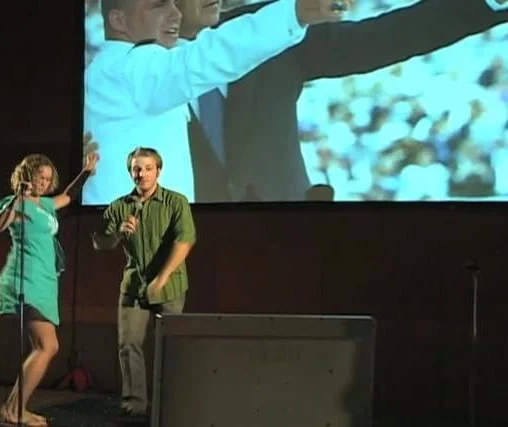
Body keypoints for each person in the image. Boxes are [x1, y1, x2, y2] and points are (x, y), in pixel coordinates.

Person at [178, 0, 508, 202]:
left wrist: (485, 3)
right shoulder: (145, 69)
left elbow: (381, 39)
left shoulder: (268, 28)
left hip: (291, 243)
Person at [82, 0, 353, 205]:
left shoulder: (110, 71)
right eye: (158, 5)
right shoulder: (129, 69)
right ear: (119, 20)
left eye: (174, 3)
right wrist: (295, 13)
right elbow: (212, 53)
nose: (175, 13)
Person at [0, 133, 99, 426]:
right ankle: (15, 410)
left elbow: (68, 196)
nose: (44, 183)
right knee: (47, 346)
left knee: (43, 346)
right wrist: (17, 198)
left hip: (45, 280)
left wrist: (86, 172)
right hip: (26, 280)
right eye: (39, 177)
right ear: (27, 176)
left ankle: (12, 409)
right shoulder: (19, 204)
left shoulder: (45, 205)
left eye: (48, 179)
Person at [91, 147, 196, 419]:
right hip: (134, 286)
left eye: (148, 168)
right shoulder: (119, 206)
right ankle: (135, 403)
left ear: (158, 171)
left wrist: (161, 279)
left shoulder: (176, 201)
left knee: (170, 348)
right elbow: (100, 243)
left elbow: (185, 240)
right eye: (137, 169)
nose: (142, 174)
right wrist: (117, 234)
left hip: (170, 286)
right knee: (128, 344)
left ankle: (171, 402)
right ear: (130, 172)